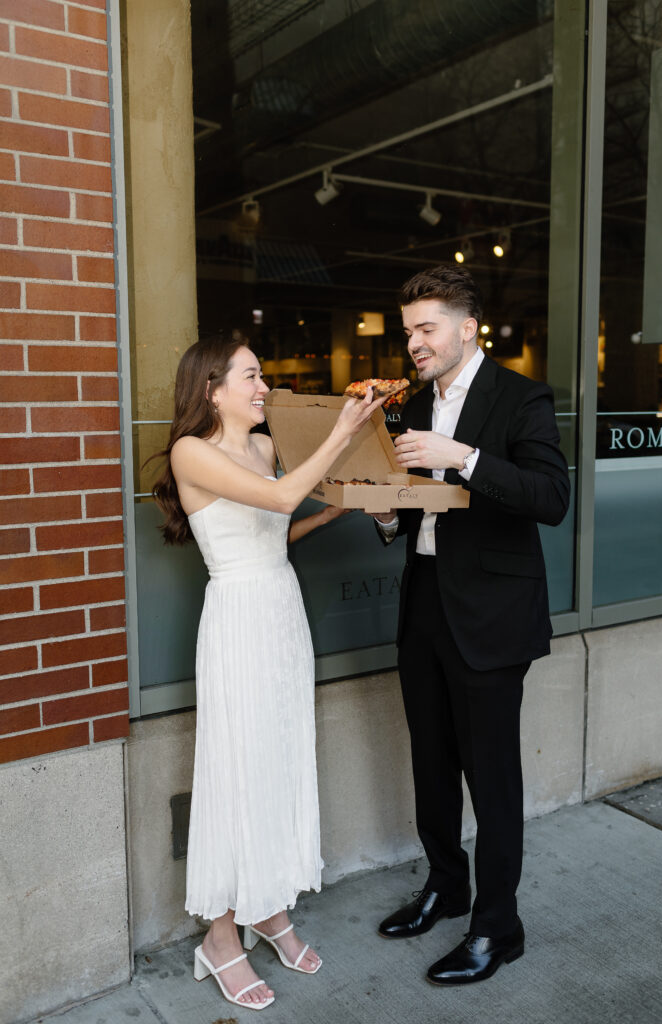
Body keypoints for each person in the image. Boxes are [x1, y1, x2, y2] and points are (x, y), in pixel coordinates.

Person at [152, 333, 385, 1010]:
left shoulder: (260, 446)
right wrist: (342, 429)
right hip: (236, 617)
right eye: (252, 377)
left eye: (264, 377)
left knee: (279, 760)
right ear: (211, 388)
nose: (265, 388)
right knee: (236, 770)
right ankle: (220, 937)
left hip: (281, 611)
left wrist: (338, 509)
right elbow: (281, 499)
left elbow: (274, 529)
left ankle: (266, 907)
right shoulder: (190, 451)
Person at [373, 266, 570, 984]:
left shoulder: (522, 398)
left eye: (425, 329)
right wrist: (389, 515)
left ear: (466, 328)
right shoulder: (413, 404)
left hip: (490, 615)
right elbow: (418, 507)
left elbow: (550, 497)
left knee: (491, 780)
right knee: (431, 763)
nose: (414, 344)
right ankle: (445, 888)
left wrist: (465, 458)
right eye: (407, 332)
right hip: (424, 604)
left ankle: (497, 927)